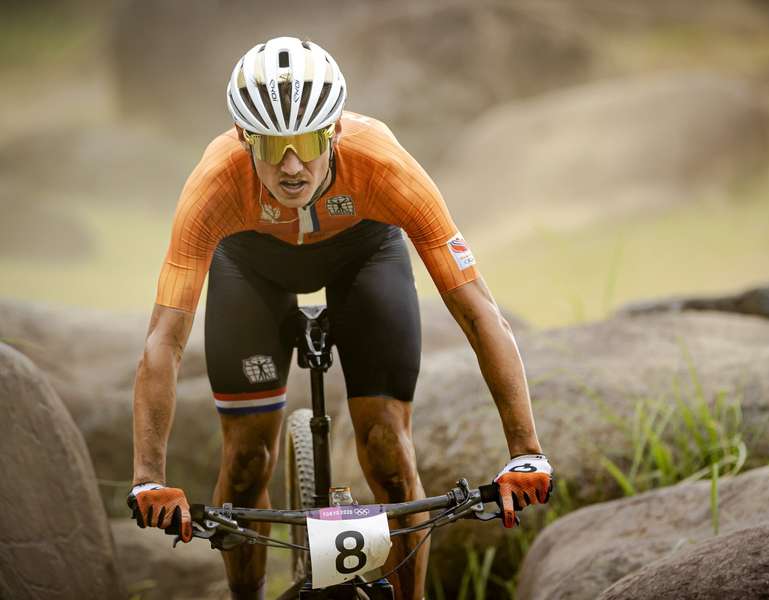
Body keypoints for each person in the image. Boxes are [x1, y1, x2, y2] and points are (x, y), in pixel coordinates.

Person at [128, 36, 552, 600]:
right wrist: (148, 477)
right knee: (248, 459)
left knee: (387, 448)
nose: (291, 163)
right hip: (250, 266)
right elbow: (165, 339)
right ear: (242, 139)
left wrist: (525, 450)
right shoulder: (215, 184)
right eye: (271, 145)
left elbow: (476, 310)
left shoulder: (381, 164)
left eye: (304, 141)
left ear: (333, 132)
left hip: (364, 253)